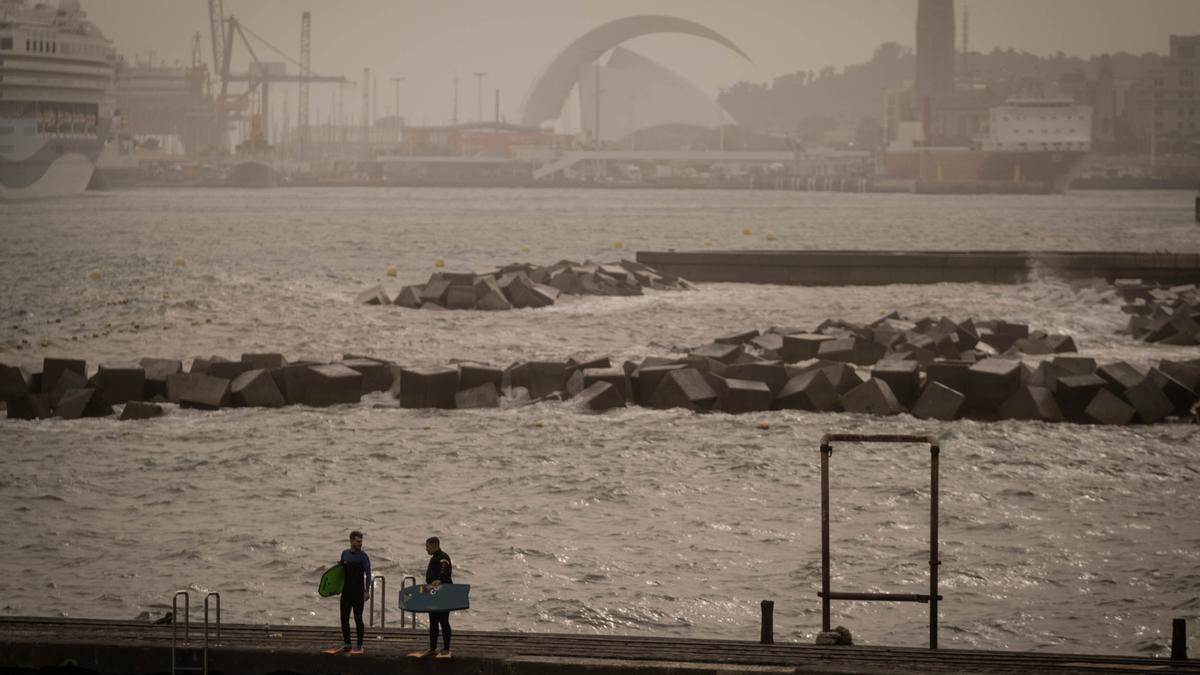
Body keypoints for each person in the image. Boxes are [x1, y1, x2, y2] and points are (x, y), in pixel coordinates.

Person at [410, 536, 453, 658]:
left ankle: (446, 648)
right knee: (433, 621)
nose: (426, 549)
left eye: (427, 546)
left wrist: (440, 579)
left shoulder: (443, 557)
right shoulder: (434, 558)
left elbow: (444, 570)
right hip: (433, 593)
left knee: (444, 621)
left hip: (443, 594)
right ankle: (433, 647)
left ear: (435, 545)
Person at [338, 530, 371, 655]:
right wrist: (336, 588)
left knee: (358, 618)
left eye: (361, 541)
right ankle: (347, 644)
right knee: (344, 617)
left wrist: (366, 590)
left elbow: (368, 574)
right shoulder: (344, 554)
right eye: (358, 541)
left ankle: (359, 644)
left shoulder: (363, 556)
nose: (360, 543)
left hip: (358, 593)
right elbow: (340, 573)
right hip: (346, 592)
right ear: (351, 541)